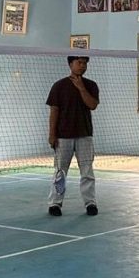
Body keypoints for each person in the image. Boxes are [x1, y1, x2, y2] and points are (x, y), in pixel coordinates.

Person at [46, 56, 100, 216]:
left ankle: (90, 203)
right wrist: (52, 134)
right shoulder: (59, 86)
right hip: (63, 137)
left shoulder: (91, 85)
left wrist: (81, 88)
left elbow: (92, 105)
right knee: (60, 172)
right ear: (71, 64)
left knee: (87, 171)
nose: (82, 66)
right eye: (79, 63)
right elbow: (54, 111)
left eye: (85, 63)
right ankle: (55, 203)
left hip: (85, 136)